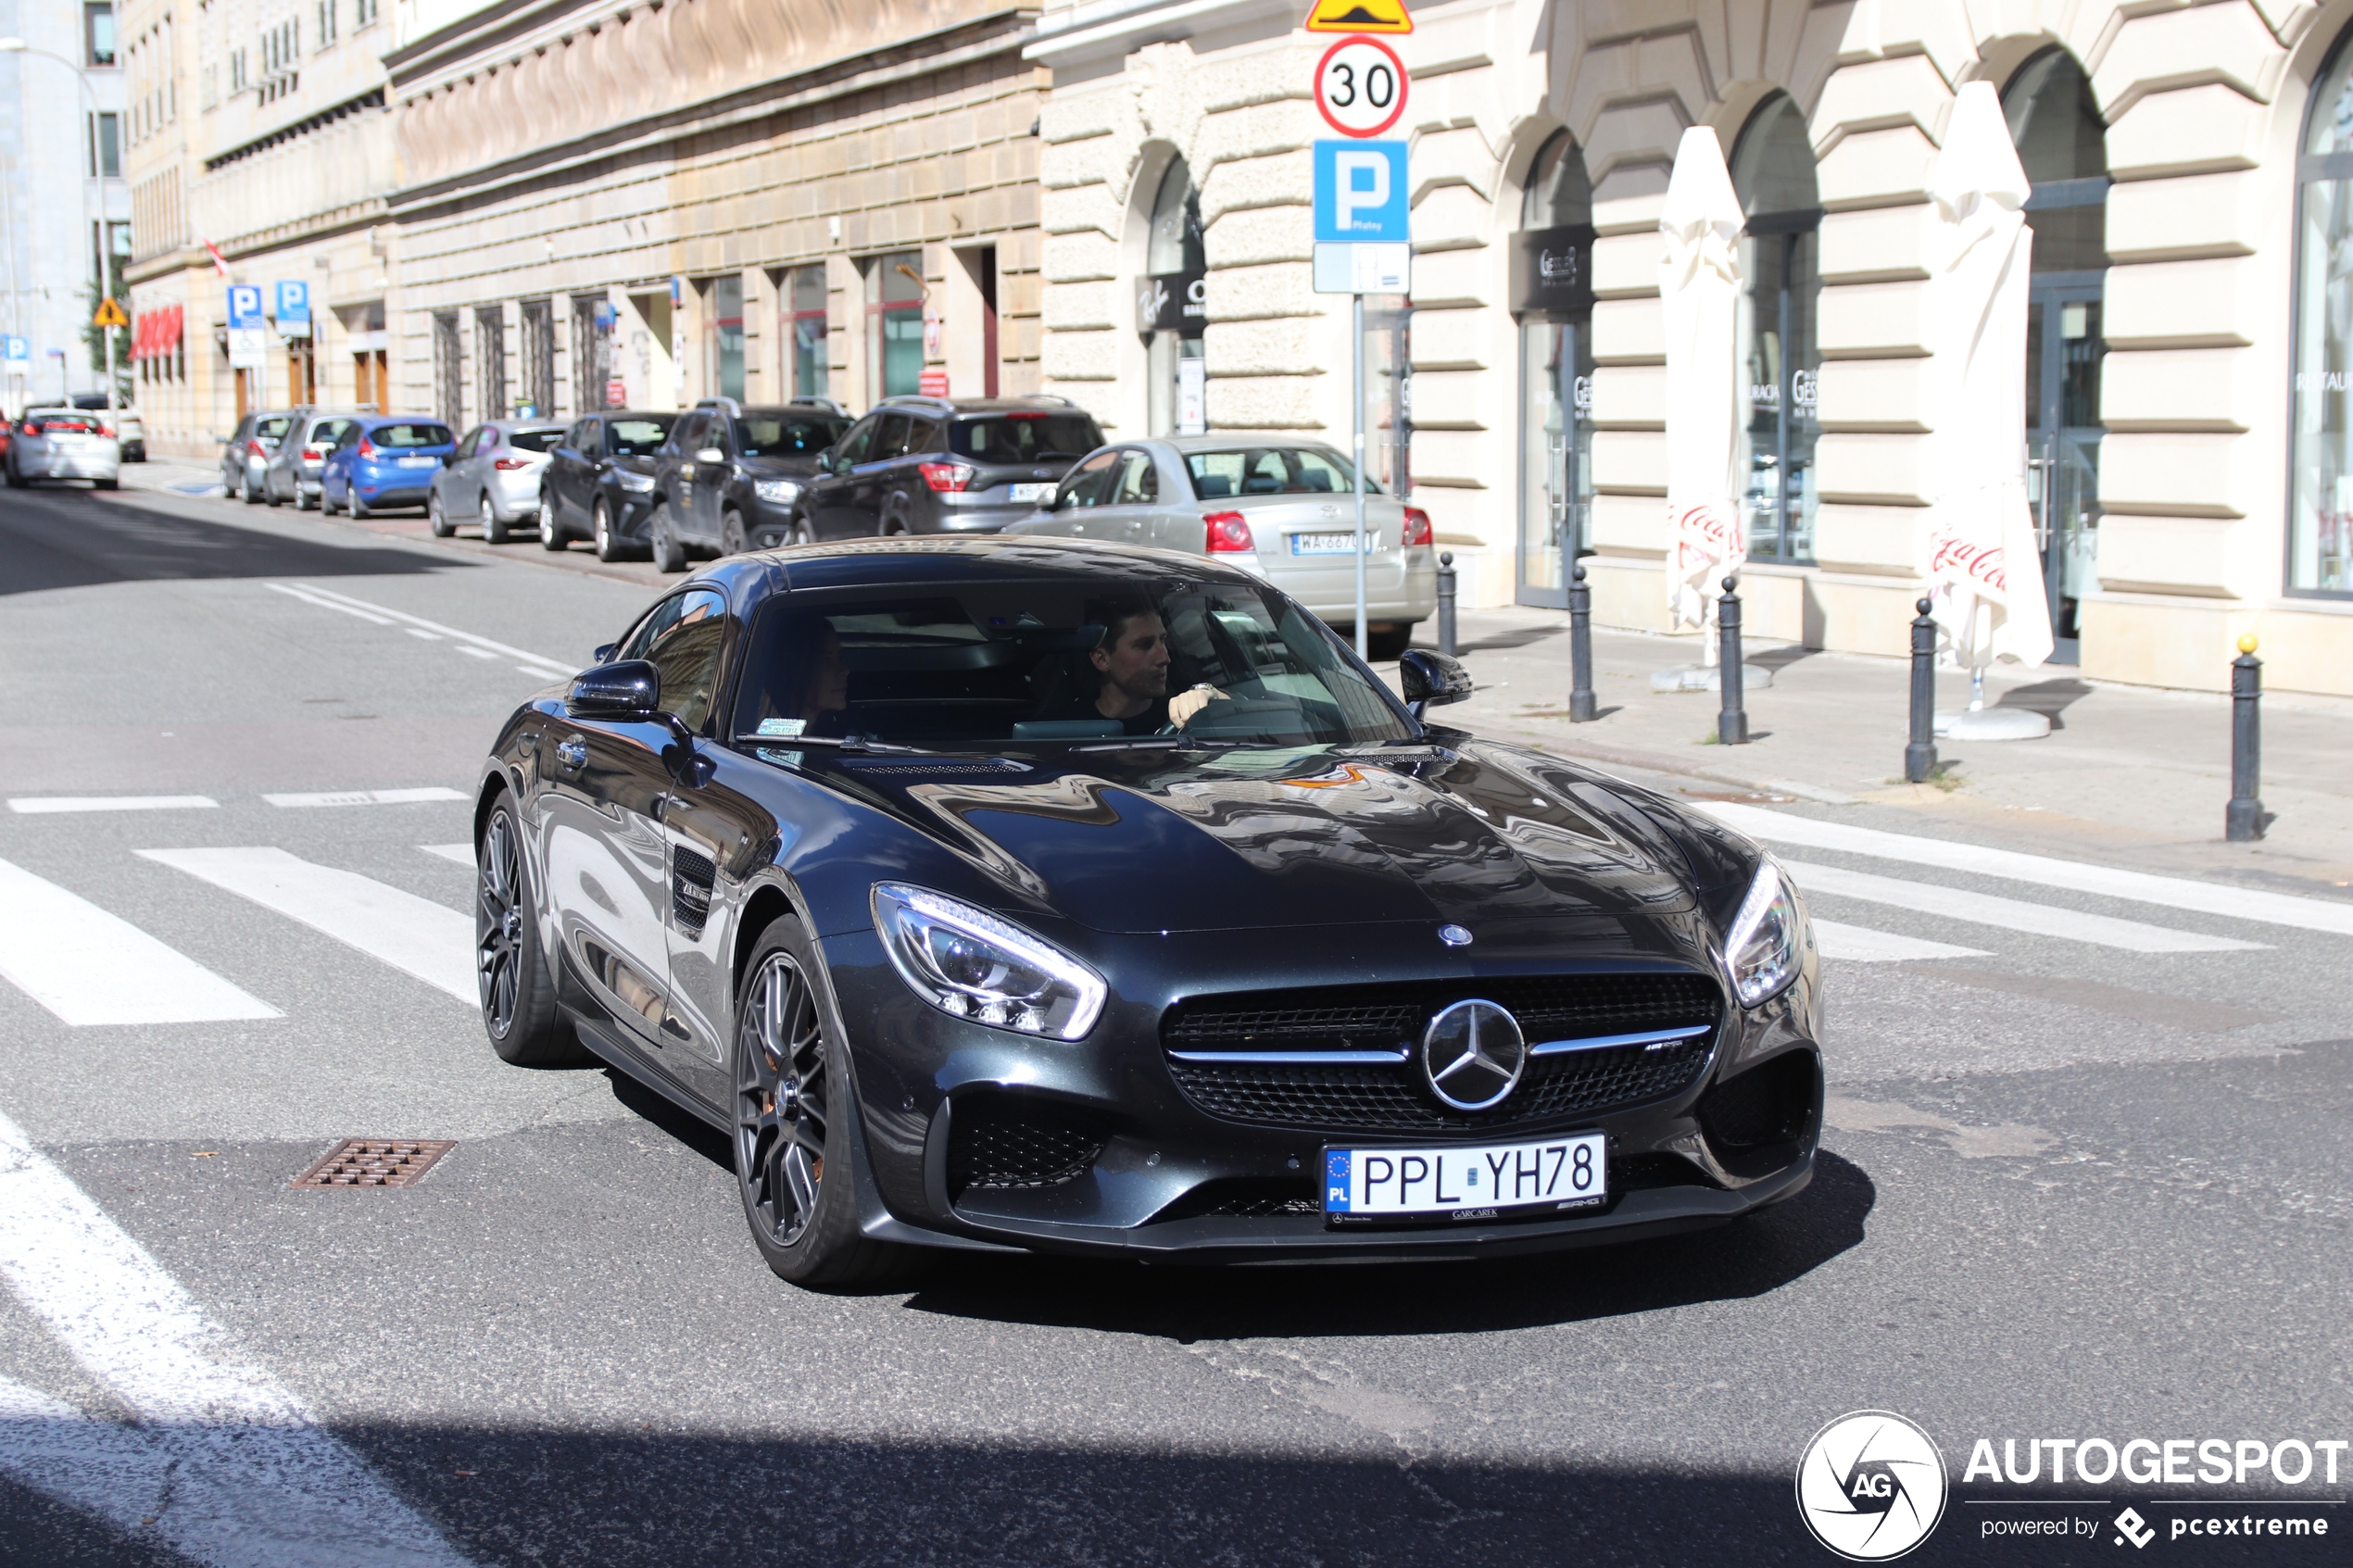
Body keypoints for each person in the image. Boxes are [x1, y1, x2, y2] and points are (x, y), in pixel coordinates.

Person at [1078, 600, 1225, 735]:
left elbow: (1243, 710)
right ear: (1102, 660)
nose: (1165, 658)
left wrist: (1209, 694)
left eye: (1162, 640)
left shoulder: (1181, 714)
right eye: (1144, 645)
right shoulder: (1069, 726)